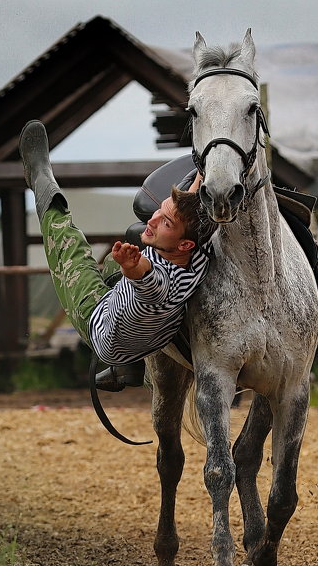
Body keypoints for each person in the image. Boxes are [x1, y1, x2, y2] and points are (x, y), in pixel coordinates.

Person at [19, 120, 211, 391]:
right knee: (125, 245)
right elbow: (188, 209)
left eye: (166, 222)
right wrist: (203, 171)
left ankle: (41, 180)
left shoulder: (164, 282)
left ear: (184, 245)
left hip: (103, 328)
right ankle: (130, 367)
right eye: (161, 210)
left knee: (68, 244)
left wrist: (134, 267)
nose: (154, 219)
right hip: (147, 332)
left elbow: (150, 281)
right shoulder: (200, 250)